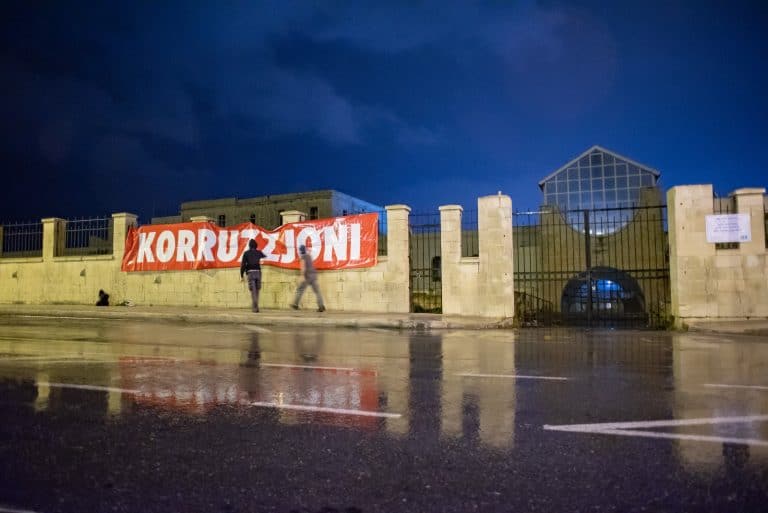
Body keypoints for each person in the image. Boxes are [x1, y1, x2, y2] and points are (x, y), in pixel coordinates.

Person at [290, 244, 325, 312]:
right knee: (317, 291)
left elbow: (303, 267)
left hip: (307, 276)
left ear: (300, 251)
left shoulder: (303, 257)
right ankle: (321, 306)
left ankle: (295, 304)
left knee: (300, 290)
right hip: (313, 276)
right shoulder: (309, 256)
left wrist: (302, 276)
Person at [240, 239, 266, 312]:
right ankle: (255, 306)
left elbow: (243, 264)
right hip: (258, 272)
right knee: (257, 290)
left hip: (250, 273)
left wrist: (241, 275)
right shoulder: (259, 252)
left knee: (253, 290)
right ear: (256, 245)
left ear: (249, 246)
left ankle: (255, 306)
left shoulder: (246, 253)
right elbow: (264, 258)